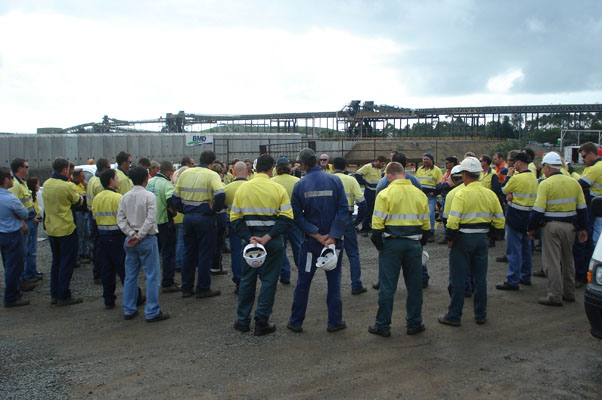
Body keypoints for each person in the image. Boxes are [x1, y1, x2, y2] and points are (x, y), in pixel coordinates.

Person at [230, 154, 293, 336]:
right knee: (269, 281)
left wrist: (250, 238)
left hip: (249, 243)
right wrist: (267, 237)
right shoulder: (278, 189)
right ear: (271, 168)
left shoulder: (243, 189)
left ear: (254, 169)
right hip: (272, 244)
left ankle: (242, 320)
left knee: (247, 280)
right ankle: (261, 322)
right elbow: (287, 217)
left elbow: (234, 219)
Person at [287, 148, 349, 333]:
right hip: (333, 244)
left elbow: (297, 217)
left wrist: (316, 234)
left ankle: (296, 322)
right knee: (334, 282)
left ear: (304, 164)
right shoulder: (335, 180)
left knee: (303, 282)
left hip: (311, 244)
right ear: (316, 161)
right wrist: (333, 236)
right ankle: (334, 322)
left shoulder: (300, 185)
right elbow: (343, 210)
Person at [439, 157, 505, 327]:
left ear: (465, 174)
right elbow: (499, 220)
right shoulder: (490, 194)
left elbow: (452, 222)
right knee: (480, 278)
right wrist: (491, 236)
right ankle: (480, 314)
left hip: (463, 239)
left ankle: (454, 316)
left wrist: (450, 239)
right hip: (481, 239)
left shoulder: (461, 193)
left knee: (459, 279)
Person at [368, 162, 430, 337]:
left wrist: (381, 248)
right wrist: (420, 245)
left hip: (391, 245)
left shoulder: (384, 194)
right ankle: (414, 323)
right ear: (405, 174)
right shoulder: (420, 195)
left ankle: (382, 325)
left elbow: (376, 229)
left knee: (387, 286)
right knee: (415, 286)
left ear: (388, 175)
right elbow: (427, 227)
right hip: (414, 244)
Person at [528, 152, 588, 306]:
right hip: (570, 227)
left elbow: (538, 211)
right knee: (569, 260)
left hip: (551, 226)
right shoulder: (574, 183)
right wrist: (583, 228)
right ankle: (569, 292)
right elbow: (582, 209)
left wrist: (531, 228)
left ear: (547, 167)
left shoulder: (545, 184)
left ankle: (554, 295)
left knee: (552, 261)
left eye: (543, 167)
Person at [117, 166, 168, 322]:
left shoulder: (124, 197)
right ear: (146, 178)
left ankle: (129, 308)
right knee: (152, 276)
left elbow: (120, 219)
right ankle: (152, 311)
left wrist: (131, 234)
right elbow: (151, 218)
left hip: (130, 239)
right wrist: (140, 235)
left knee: (130, 276)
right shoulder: (149, 196)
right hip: (147, 239)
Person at [172, 150, 225, 298]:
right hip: (204, 218)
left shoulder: (185, 174)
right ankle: (203, 288)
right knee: (204, 253)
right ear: (212, 162)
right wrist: (213, 210)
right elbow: (221, 194)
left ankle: (186, 288)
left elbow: (174, 198)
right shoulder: (212, 175)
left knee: (188, 252)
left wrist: (184, 210)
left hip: (188, 218)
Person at [93, 169, 143, 309]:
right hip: (117, 236)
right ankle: (135, 297)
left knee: (107, 269)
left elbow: (94, 218)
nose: (118, 180)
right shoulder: (118, 198)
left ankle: (108, 299)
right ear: (110, 180)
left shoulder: (97, 198)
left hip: (103, 236)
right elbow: (126, 218)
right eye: (116, 178)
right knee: (125, 269)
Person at [43, 157, 84, 306]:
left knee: (56, 262)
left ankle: (54, 294)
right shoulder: (66, 186)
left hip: (51, 228)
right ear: (65, 170)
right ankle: (64, 295)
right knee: (67, 263)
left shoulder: (46, 184)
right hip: (66, 228)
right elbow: (78, 201)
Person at [495, 152, 539, 291]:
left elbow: (503, 189)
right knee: (526, 248)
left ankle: (512, 279)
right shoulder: (533, 178)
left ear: (519, 163)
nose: (513, 165)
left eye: (514, 163)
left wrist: (508, 175)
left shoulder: (517, 178)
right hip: (529, 216)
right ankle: (526, 276)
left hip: (515, 216)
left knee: (514, 250)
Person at [333, 157, 367, 294]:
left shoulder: (329, 179)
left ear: (333, 167)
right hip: (347, 218)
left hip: (332, 219)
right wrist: (358, 221)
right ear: (346, 167)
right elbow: (363, 204)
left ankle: (334, 285)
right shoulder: (351, 180)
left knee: (335, 252)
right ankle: (356, 284)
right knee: (353, 253)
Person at [146, 160, 180, 293]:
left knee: (154, 253)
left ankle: (153, 280)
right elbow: (171, 200)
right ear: (168, 172)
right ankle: (167, 281)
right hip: (165, 222)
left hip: (151, 222)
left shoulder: (150, 182)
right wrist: (174, 211)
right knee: (168, 253)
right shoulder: (167, 185)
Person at [0, 168, 30, 307]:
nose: (13, 180)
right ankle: (11, 296)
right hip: (11, 234)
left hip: (2, 234)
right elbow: (24, 214)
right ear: (6, 180)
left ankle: (13, 291)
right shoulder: (10, 198)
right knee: (14, 266)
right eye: (11, 178)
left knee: (8, 264)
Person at [9, 158, 40, 288]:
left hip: (30, 220)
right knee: (23, 252)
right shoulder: (15, 185)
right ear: (20, 168)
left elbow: (28, 202)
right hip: (24, 223)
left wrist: (33, 217)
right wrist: (23, 223)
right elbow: (13, 206)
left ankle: (30, 274)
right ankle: (22, 279)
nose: (28, 169)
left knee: (31, 251)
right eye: (26, 167)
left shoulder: (22, 183)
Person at [271, 156, 301, 285]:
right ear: (289, 167)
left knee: (281, 247)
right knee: (298, 246)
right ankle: (303, 273)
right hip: (293, 218)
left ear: (276, 168)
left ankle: (285, 273)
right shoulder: (297, 181)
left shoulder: (271, 182)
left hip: (278, 218)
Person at [577, 142, 602, 286]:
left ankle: (586, 272)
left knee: (588, 239)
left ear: (592, 154)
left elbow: (580, 184)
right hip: (594, 205)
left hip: (592, 206)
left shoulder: (596, 168)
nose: (583, 159)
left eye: (584, 156)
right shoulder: (592, 167)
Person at [224, 162, 249, 293]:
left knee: (236, 251)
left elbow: (221, 204)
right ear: (247, 171)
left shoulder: (227, 188)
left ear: (233, 172)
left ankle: (239, 280)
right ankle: (253, 278)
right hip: (249, 222)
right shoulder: (251, 186)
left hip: (233, 222)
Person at [87, 158, 111, 285]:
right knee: (102, 247)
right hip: (101, 219)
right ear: (102, 168)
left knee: (97, 246)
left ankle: (98, 272)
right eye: (108, 167)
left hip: (93, 215)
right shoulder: (101, 184)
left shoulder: (92, 180)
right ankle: (100, 273)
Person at [354, 155, 387, 236]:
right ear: (378, 161)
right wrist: (364, 183)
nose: (383, 166)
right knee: (367, 210)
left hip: (376, 192)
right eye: (382, 164)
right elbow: (357, 174)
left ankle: (369, 226)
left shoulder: (378, 169)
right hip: (369, 192)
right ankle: (364, 228)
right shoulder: (368, 167)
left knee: (373, 210)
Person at [415, 153, 442, 242]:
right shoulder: (419, 170)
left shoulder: (437, 170)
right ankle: (422, 230)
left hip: (430, 196)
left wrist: (435, 193)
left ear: (431, 160)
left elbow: (440, 184)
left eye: (427, 159)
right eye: (423, 159)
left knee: (430, 213)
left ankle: (431, 232)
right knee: (420, 213)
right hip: (420, 195)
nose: (425, 161)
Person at [71, 169, 91, 262]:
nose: (84, 178)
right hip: (79, 212)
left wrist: (86, 186)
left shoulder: (81, 184)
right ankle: (79, 254)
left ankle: (85, 252)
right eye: (82, 176)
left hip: (85, 212)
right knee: (80, 234)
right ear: (76, 177)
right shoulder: (72, 186)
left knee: (86, 233)